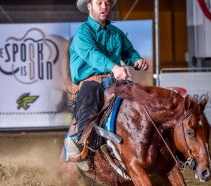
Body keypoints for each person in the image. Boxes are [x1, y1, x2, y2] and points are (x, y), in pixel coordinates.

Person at [64, 0, 150, 161]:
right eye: (99, 3)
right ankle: (82, 146)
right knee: (89, 105)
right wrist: (114, 68)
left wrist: (137, 60)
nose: (104, 7)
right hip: (91, 82)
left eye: (107, 3)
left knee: (139, 101)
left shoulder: (116, 32)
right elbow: (91, 54)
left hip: (114, 81)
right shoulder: (83, 33)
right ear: (89, 6)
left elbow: (128, 52)